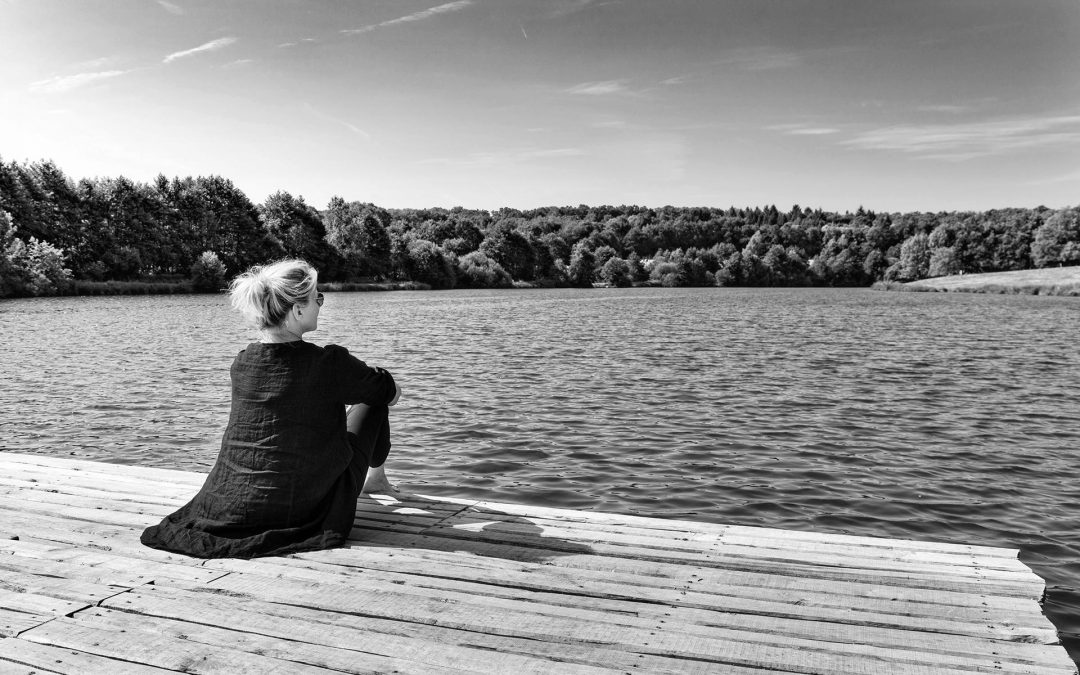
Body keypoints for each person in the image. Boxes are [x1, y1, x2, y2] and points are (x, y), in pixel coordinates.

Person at [141, 259, 401, 559]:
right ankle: (377, 479)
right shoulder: (328, 364)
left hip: (231, 504)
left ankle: (376, 479)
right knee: (373, 401)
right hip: (308, 508)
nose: (321, 303)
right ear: (297, 310)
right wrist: (369, 375)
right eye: (318, 297)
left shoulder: (243, 362)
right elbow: (391, 393)